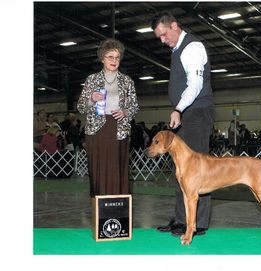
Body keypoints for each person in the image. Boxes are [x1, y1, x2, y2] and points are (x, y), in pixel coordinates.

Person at [151, 12, 214, 237]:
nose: (162, 40)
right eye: (158, 37)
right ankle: (181, 220)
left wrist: (179, 108)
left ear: (174, 26)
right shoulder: (177, 49)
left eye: (164, 34)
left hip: (196, 113)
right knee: (182, 171)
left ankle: (198, 223)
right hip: (186, 113)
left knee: (200, 173)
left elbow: (195, 84)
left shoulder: (192, 47)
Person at [77, 38, 139, 196]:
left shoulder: (127, 81)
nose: (114, 60)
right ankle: (99, 207)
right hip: (97, 130)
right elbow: (81, 107)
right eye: (110, 57)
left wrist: (125, 112)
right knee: (98, 169)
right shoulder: (92, 79)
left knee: (118, 169)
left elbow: (134, 106)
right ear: (102, 58)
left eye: (117, 57)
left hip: (119, 129)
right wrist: (91, 99)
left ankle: (119, 206)